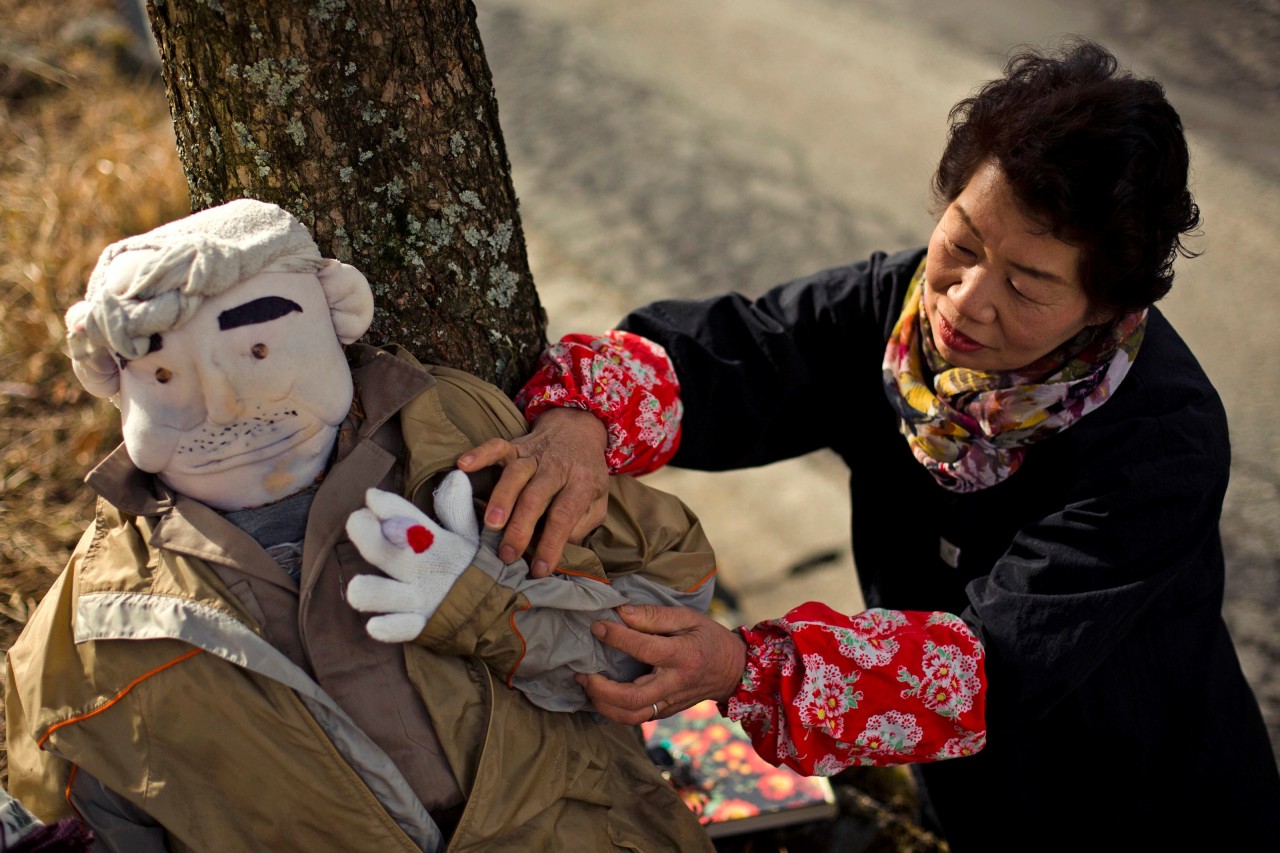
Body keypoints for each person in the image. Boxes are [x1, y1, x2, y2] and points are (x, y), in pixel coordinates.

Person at [459, 39, 1280, 848]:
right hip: (964, 787)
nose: (965, 300)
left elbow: (996, 661)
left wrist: (746, 667)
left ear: (1105, 306)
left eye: (1026, 286)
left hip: (1139, 800)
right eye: (962, 243)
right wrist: (582, 417)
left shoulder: (1160, 441)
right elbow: (741, 357)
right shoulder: (900, 314)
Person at [4, 199, 716, 851]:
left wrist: (483, 604)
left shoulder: (457, 441)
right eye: (167, 378)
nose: (229, 406)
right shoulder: (102, 617)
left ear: (334, 315)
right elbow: (77, 799)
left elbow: (670, 636)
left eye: (257, 352)